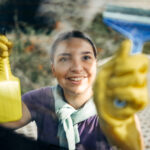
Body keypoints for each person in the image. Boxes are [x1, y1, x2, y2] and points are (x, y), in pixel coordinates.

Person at [0, 30, 148, 150]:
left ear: (96, 64)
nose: (77, 68)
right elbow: (6, 122)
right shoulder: (40, 99)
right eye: (64, 59)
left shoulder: (111, 105)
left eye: (86, 58)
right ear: (53, 68)